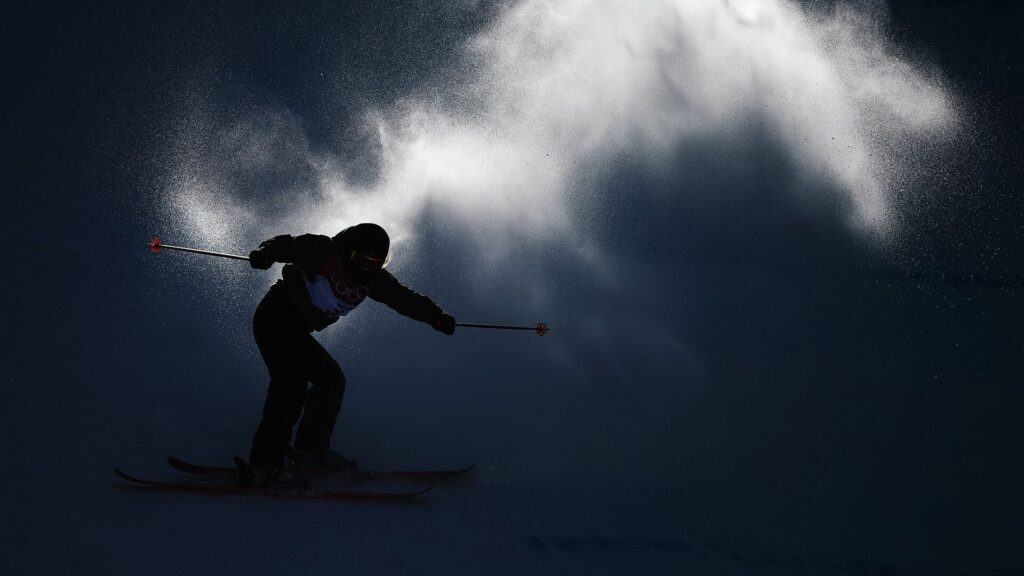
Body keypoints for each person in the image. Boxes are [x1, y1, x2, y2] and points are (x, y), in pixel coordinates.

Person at [244, 222, 455, 488]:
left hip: (297, 331)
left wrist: (436, 316)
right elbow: (286, 244)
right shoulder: (323, 251)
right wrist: (266, 253)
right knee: (291, 386)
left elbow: (403, 298)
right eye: (361, 260)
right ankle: (264, 465)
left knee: (331, 380)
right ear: (347, 251)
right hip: (276, 317)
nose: (366, 269)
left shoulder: (375, 280)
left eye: (375, 263)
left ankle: (311, 452)